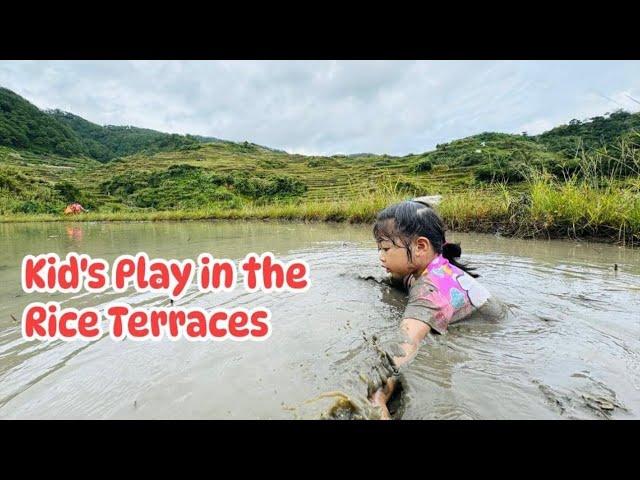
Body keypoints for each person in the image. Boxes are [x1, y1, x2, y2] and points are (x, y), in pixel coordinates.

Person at [369, 198, 492, 419]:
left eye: (386, 248)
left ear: (421, 246)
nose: (381, 256)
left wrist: (378, 395)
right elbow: (400, 280)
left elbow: (406, 344)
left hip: (490, 337)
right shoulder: (434, 267)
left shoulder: (431, 289)